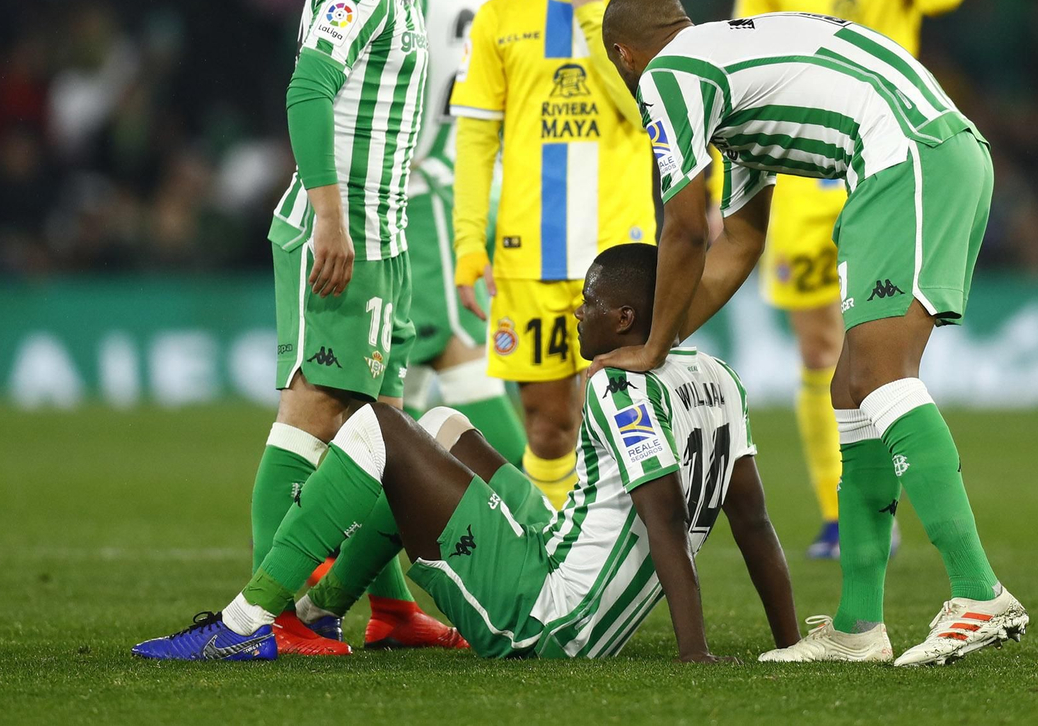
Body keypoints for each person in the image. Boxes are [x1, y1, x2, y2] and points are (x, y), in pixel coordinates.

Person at [593, 0, 1027, 667]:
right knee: (850, 387)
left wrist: (647, 348)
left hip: (905, 158)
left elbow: (686, 228)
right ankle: (858, 625)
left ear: (624, 54)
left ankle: (979, 590)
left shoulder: (668, 75)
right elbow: (740, 241)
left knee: (882, 375)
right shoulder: (726, 77)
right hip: (926, 152)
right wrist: (665, 341)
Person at [131, 244, 800, 664]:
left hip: (549, 616)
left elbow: (665, 517)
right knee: (443, 425)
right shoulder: (720, 377)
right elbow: (753, 521)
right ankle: (321, 611)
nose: (577, 313)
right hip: (569, 575)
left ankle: (244, 623)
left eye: (589, 302)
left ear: (624, 318)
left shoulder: (620, 386)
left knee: (376, 427)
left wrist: (694, 654)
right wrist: (788, 643)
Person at [282, 0, 524, 652]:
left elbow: (342, 95)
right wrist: (329, 209)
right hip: (401, 207)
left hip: (399, 212)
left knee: (378, 417)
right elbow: (319, 85)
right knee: (354, 413)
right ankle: (295, 613)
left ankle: (363, 606)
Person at [733, 0, 968, 558]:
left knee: (873, 350)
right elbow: (743, 76)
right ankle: (842, 509)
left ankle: (873, 504)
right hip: (804, 186)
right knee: (818, 350)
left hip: (885, 176)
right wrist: (728, 198)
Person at [254, 0, 463, 654]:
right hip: (341, 236)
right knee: (312, 416)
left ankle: (387, 606)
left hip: (384, 238)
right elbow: (309, 88)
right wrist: (329, 217)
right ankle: (272, 619)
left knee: (384, 436)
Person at [451, 0, 655, 509]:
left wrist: (596, 17)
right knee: (547, 427)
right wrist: (467, 242)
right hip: (530, 258)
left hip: (621, 262)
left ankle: (619, 556)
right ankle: (552, 559)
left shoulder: (646, 14)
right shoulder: (501, 20)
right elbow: (475, 140)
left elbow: (649, 116)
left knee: (628, 429)